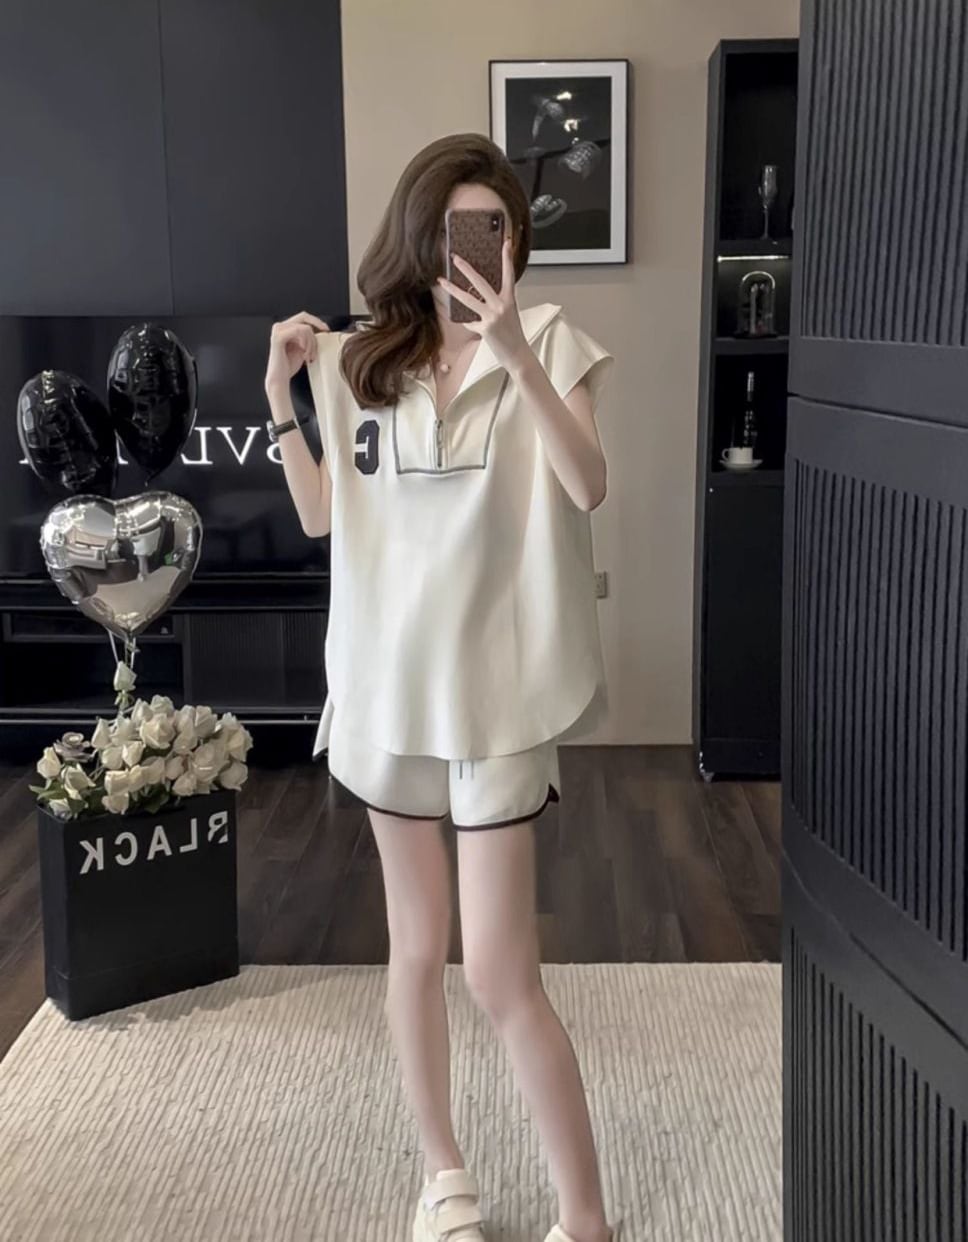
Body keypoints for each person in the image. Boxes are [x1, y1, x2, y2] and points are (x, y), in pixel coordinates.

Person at [263, 132, 619, 1242]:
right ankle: (443, 1178)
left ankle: (585, 1219)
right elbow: (320, 517)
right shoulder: (361, 361)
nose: (475, 247)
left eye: (495, 228)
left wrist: (511, 350)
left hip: (499, 694)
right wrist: (279, 395)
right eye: (459, 227)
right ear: (420, 236)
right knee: (415, 950)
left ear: (513, 241)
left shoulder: (550, 341)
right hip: (388, 687)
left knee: (502, 976)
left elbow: (587, 484)